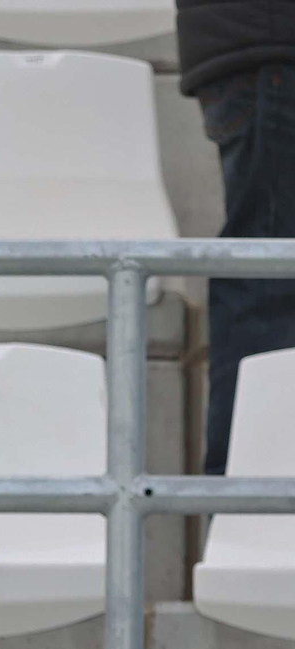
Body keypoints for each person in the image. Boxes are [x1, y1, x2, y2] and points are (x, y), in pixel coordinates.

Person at [176, 0, 295, 474]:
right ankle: (246, 508)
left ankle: (244, 505)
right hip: (271, 49)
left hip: (261, 48)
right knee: (262, 291)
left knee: (262, 288)